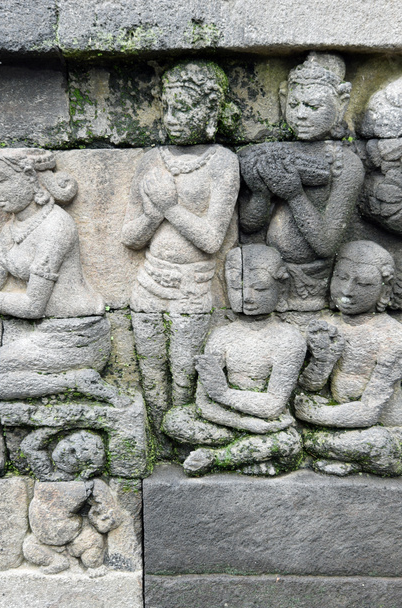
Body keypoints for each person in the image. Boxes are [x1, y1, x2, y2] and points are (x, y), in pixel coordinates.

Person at [122, 60, 240, 440]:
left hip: (194, 284)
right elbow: (130, 237)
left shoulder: (223, 161)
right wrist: (155, 211)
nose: (172, 118)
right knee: (151, 369)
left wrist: (170, 206)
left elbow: (211, 240)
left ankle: (183, 436)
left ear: (208, 112)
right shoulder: (150, 160)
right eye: (168, 108)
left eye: (184, 108)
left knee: (186, 368)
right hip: (149, 282)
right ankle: (158, 437)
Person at [0, 149, 119, 403]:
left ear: (31, 179)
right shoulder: (12, 228)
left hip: (76, 336)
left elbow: (33, 306)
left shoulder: (56, 225)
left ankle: (76, 381)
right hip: (44, 331)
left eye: (3, 179)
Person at [161, 245, 306, 476]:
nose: (247, 298)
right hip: (240, 423)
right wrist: (250, 425)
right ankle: (244, 454)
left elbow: (273, 405)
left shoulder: (289, 339)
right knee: (174, 420)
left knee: (288, 442)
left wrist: (224, 394)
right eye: (237, 287)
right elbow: (204, 404)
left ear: (282, 289)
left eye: (259, 288)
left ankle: (216, 458)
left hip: (269, 423)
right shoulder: (222, 336)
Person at [238, 52, 364, 311]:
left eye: (313, 107)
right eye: (294, 105)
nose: (301, 115)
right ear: (284, 99)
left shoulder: (345, 163)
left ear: (341, 104)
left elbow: (327, 244)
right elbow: (250, 226)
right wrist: (261, 192)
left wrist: (294, 195)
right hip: (266, 276)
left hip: (315, 280)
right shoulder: (276, 152)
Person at [295, 241, 402, 476]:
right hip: (337, 422)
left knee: (376, 444)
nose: (347, 290)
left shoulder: (394, 338)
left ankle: (347, 457)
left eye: (363, 283)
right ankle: (345, 458)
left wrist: (314, 414)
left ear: (384, 290)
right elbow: (311, 387)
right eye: (341, 277)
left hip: (387, 434)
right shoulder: (327, 325)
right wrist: (322, 362)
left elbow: (370, 411)